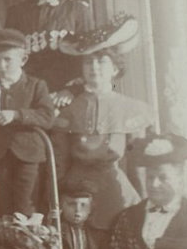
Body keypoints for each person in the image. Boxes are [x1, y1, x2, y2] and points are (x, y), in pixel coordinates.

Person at [53, 18, 156, 230]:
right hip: (77, 190)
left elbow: (137, 163)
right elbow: (60, 160)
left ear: (115, 69)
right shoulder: (69, 109)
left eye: (101, 61)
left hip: (115, 186)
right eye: (88, 62)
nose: (94, 67)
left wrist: (145, 201)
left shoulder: (131, 108)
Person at [3, 0, 93, 91]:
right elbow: (8, 57)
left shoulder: (78, 10)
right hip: (30, 94)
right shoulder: (16, 13)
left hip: (67, 94)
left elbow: (89, 58)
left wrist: (71, 91)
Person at [0, 29, 55, 216]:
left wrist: (17, 114)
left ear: (23, 60)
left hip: (28, 156)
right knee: (2, 207)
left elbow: (47, 116)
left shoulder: (36, 85)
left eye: (8, 59)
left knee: (26, 206)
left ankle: (28, 242)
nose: (2, 65)